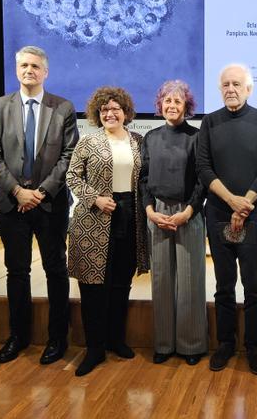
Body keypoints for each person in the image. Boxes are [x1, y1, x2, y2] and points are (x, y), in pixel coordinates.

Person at [0, 46, 78, 365]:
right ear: (16, 69)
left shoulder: (63, 107)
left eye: (35, 66)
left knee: (55, 270)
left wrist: (41, 192)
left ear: (45, 72)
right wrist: (17, 192)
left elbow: (69, 156)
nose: (29, 70)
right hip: (12, 204)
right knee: (17, 271)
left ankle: (57, 339)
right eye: (23, 65)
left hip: (50, 204)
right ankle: (18, 336)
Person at [196, 63, 257, 375]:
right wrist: (231, 201)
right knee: (224, 283)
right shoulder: (209, 122)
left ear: (248, 89)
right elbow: (204, 167)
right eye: (226, 84)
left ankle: (254, 346)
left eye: (237, 84)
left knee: (254, 284)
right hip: (218, 213)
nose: (231, 89)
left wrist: (245, 205)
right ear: (220, 89)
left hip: (254, 214)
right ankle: (226, 343)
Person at [66, 86, 148, 376]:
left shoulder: (138, 141)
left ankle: (116, 340)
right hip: (94, 220)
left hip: (130, 216)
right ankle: (94, 349)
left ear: (126, 112)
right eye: (104, 110)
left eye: (115, 109)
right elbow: (72, 176)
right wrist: (94, 199)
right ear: (97, 114)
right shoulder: (88, 142)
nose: (110, 114)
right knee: (93, 288)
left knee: (120, 284)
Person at [140, 80, 208, 366]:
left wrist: (189, 211)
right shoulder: (151, 138)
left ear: (186, 106)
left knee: (190, 281)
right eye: (167, 101)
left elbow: (203, 179)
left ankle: (191, 345)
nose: (172, 106)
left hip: (187, 214)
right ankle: (164, 344)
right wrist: (149, 211)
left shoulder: (197, 137)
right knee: (161, 279)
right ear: (160, 105)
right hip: (157, 213)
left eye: (177, 101)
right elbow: (142, 178)